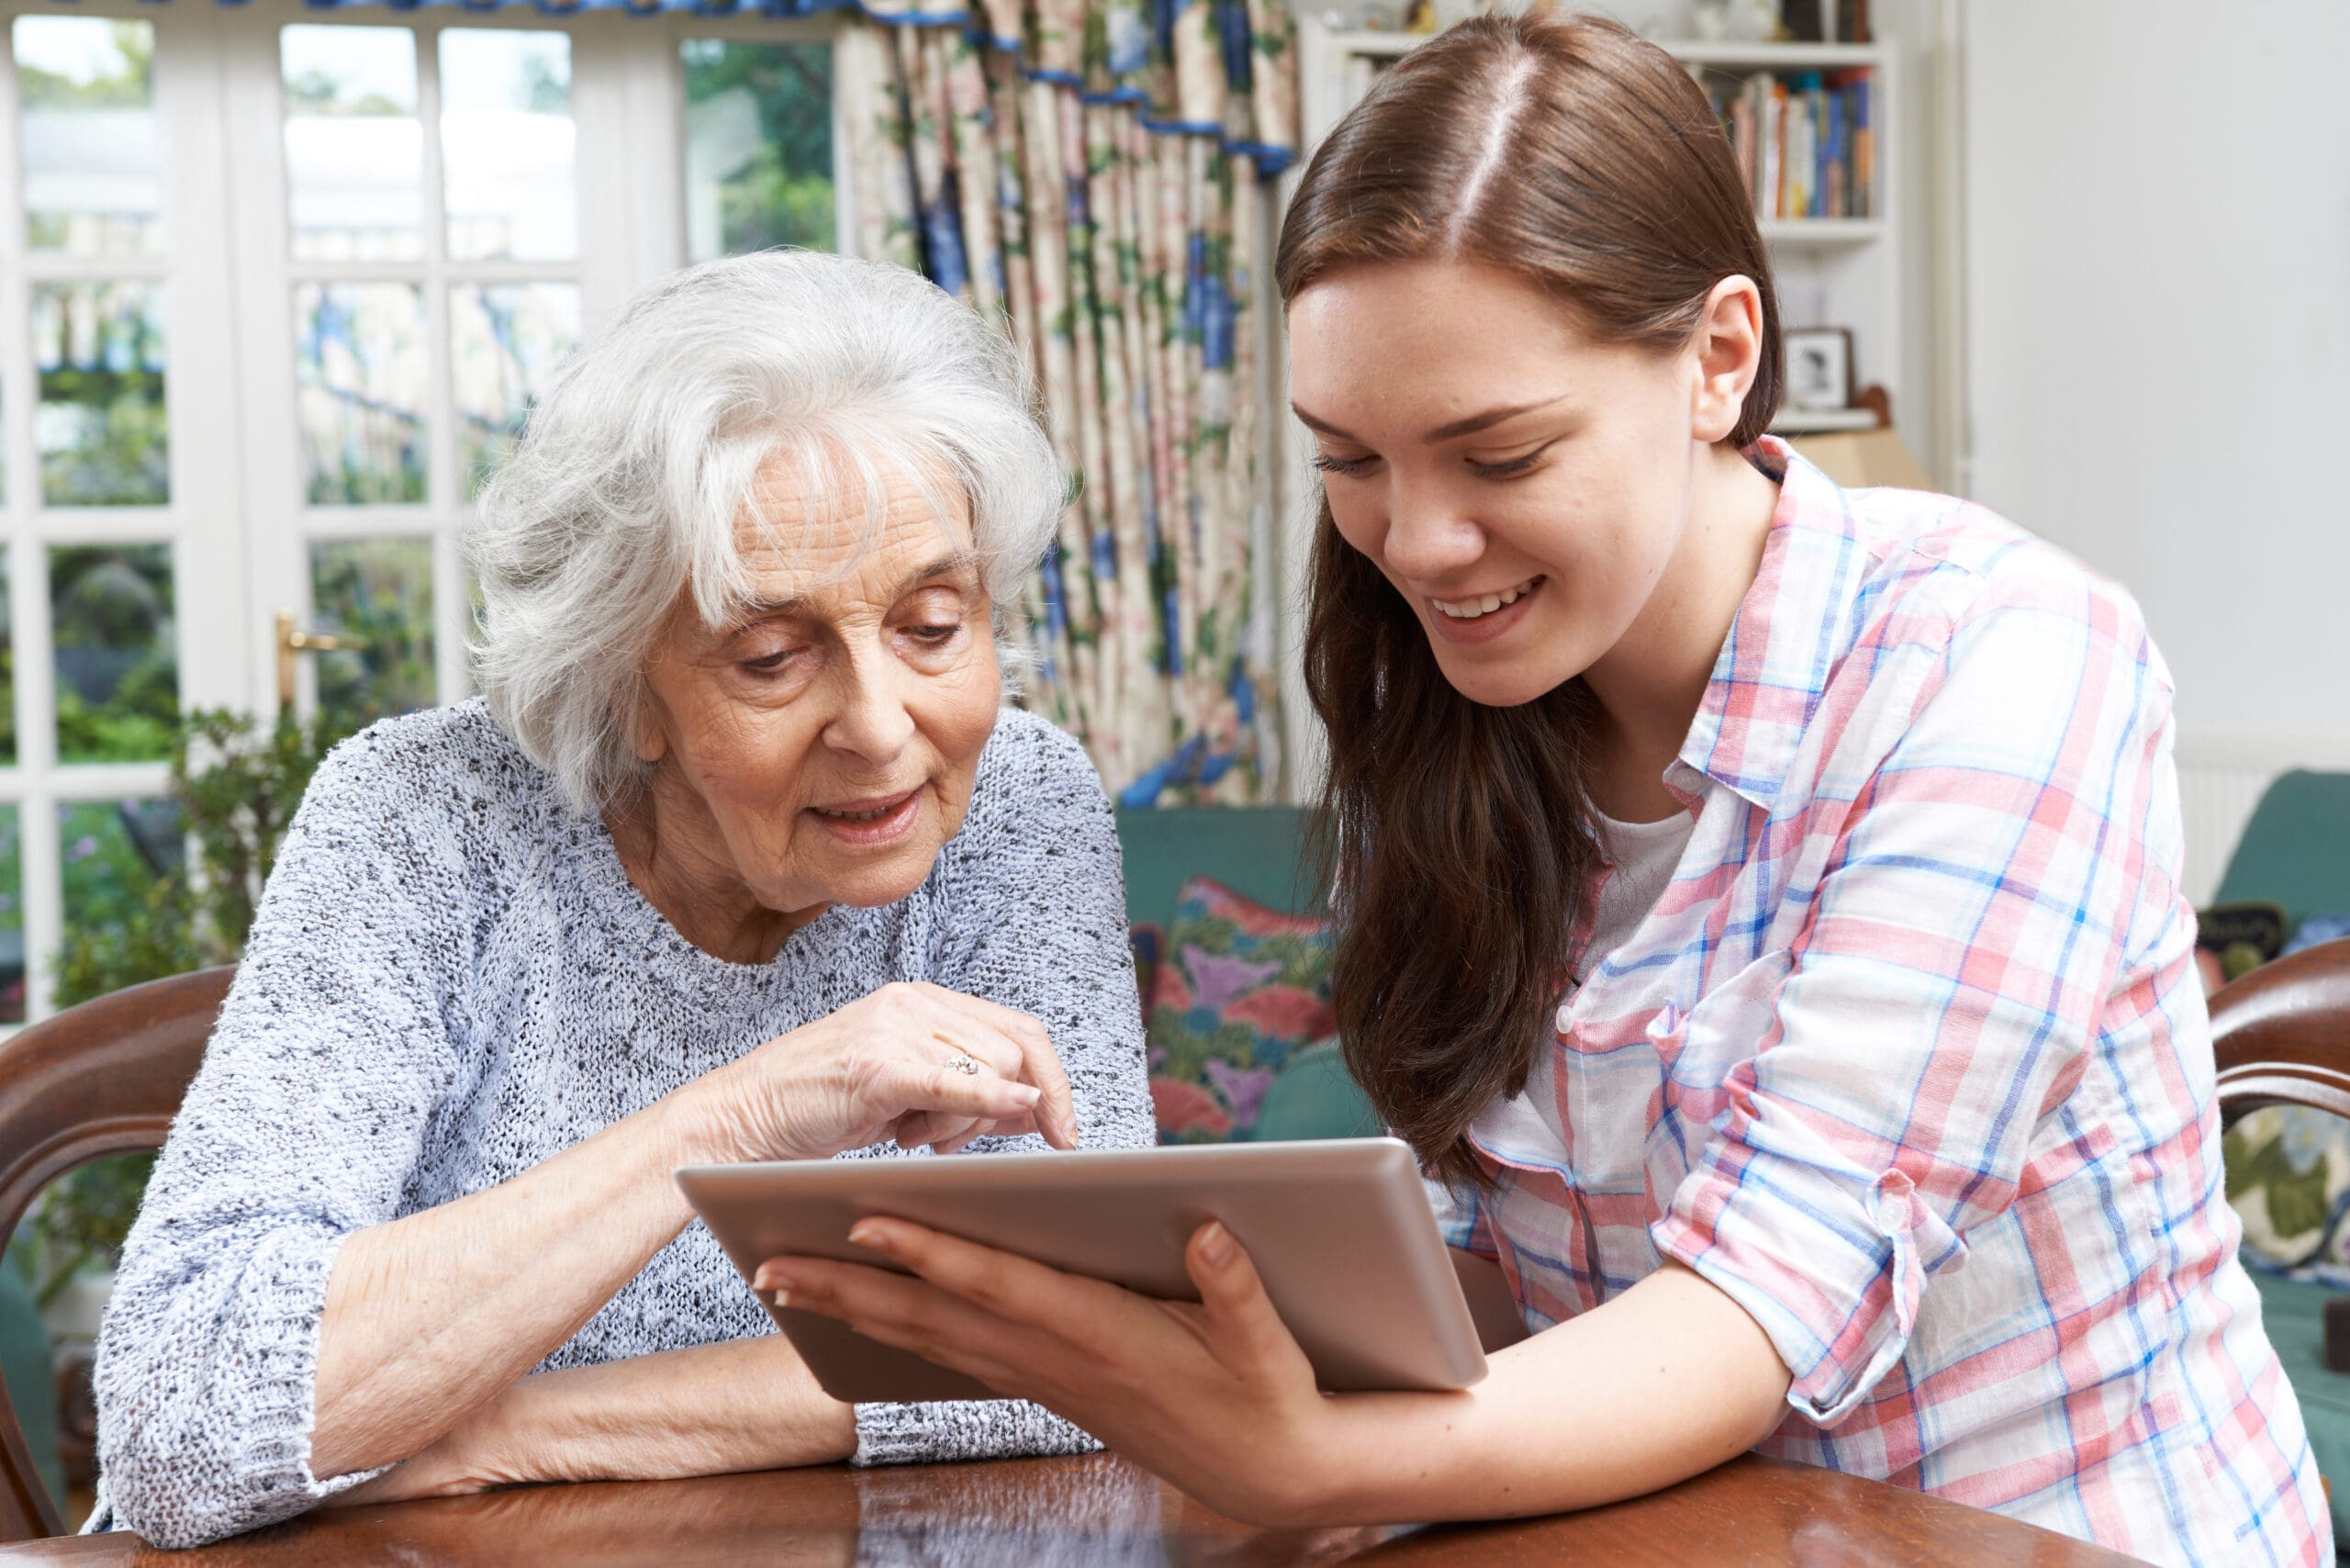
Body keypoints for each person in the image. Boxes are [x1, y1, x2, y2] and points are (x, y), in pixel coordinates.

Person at [755, 15, 2330, 1564]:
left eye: (1498, 457)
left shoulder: (2000, 663)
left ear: (1719, 360)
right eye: (1350, 460)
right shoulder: (1450, 708)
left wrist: (1314, 1454)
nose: (1418, 544)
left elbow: (1767, 1302)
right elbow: (1502, 1270)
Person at [85, 252, 1154, 1550]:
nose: (882, 729)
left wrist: (495, 1432)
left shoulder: (1015, 805)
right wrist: (748, 1111)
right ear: (621, 687)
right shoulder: (426, 818)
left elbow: (1091, 1344)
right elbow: (180, 1419)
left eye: (934, 625)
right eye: (770, 657)